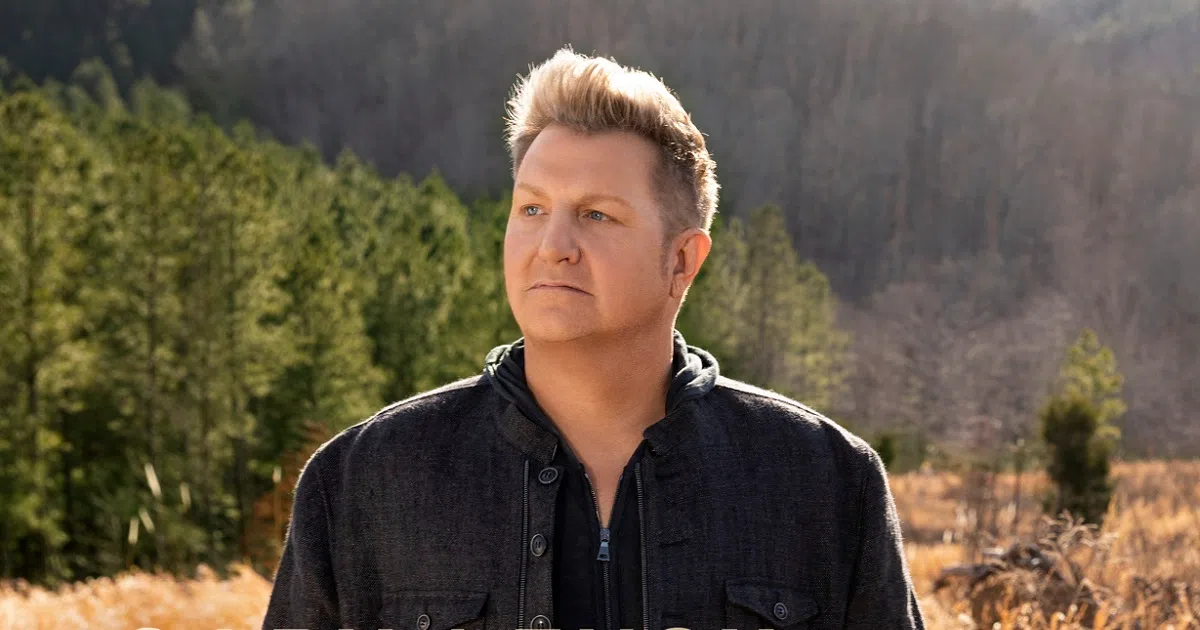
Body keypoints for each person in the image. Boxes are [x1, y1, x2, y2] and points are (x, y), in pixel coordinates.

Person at [262, 46, 924, 630]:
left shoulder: (827, 482)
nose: (552, 246)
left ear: (682, 260)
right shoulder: (361, 482)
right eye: (531, 208)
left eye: (597, 215)